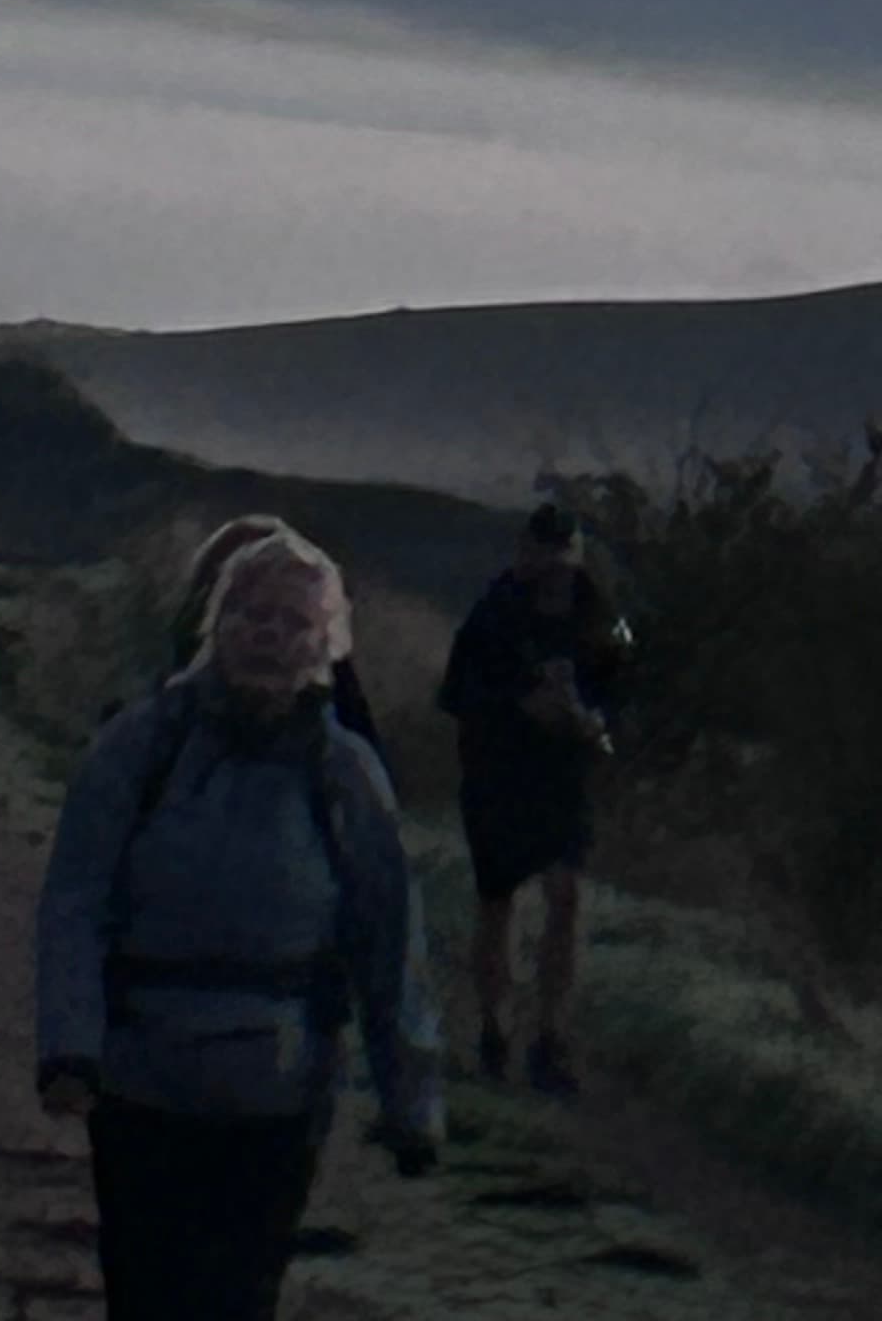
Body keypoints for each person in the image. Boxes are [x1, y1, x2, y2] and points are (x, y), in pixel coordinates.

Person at [37, 527, 444, 1321]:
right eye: (250, 614)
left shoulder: (347, 776)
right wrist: (68, 1046)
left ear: (325, 645)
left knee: (238, 1300)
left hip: (278, 1094)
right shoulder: (138, 747)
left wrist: (412, 1102)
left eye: (293, 622)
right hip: (140, 1079)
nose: (267, 634)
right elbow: (74, 900)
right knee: (147, 1295)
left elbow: (390, 940)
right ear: (215, 626)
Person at [436, 500, 631, 1098]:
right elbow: (456, 693)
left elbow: (627, 691)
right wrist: (520, 705)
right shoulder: (494, 615)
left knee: (565, 897)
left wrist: (593, 722)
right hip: (499, 773)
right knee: (497, 903)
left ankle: (550, 1035)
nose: (549, 563)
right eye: (539, 550)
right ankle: (495, 1026)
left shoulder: (603, 618)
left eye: (559, 551)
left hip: (564, 775)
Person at [165, 516, 389, 769]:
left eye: (293, 620)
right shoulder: (153, 735)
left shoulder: (343, 761)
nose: (270, 632)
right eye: (256, 611)